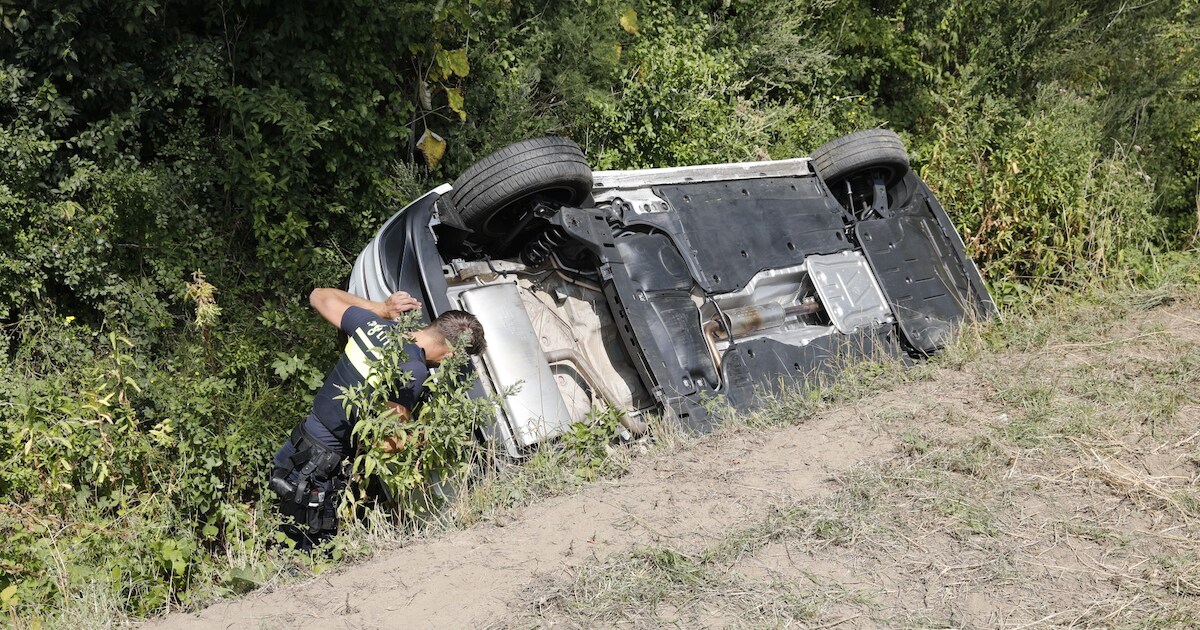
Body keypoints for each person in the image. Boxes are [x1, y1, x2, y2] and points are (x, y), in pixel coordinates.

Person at [269, 287, 486, 549]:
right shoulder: (412, 370)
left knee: (288, 540)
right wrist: (428, 434)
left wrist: (380, 308)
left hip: (297, 449)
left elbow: (317, 295)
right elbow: (387, 444)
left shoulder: (372, 324)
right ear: (453, 354)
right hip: (316, 472)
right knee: (308, 553)